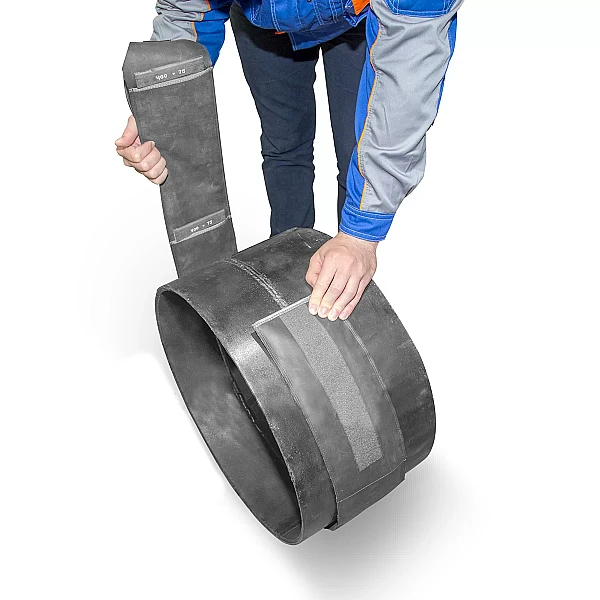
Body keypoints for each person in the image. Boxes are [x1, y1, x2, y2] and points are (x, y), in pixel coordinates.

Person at [116, 0, 463, 321]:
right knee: (285, 149)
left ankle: (340, 295)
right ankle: (287, 286)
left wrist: (360, 236)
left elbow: (406, 74)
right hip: (264, 19)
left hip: (358, 15)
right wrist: (160, 108)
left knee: (356, 157)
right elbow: (187, 8)